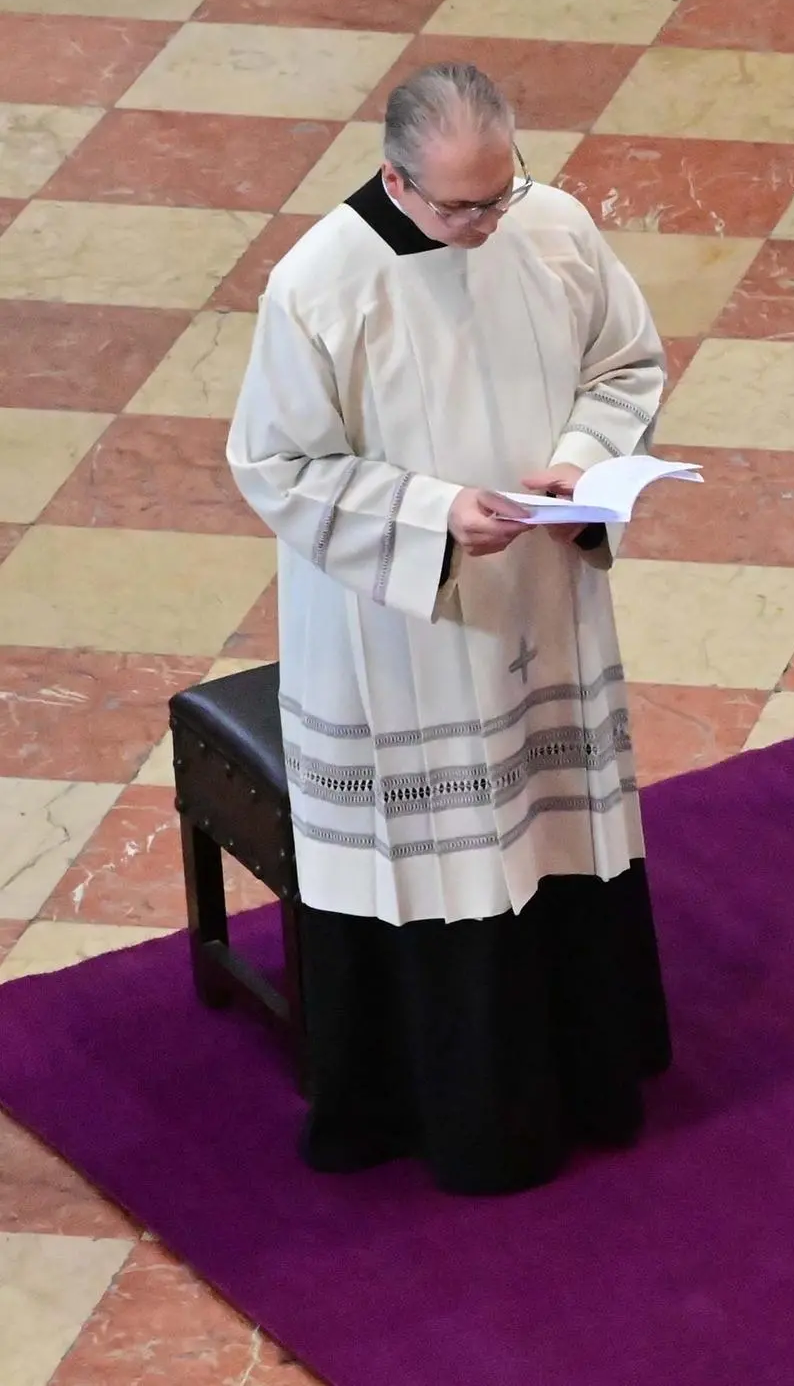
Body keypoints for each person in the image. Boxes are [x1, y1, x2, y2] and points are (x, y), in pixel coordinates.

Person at [224, 63, 673, 1196]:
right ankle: (452, 1111)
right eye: (458, 207)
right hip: (405, 626)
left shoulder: (552, 227)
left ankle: (587, 1068)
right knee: (454, 860)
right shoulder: (320, 285)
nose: (483, 225)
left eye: (497, 196)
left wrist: (577, 465)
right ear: (394, 177)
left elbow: (626, 364)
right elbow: (274, 464)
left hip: (541, 594)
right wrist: (431, 514)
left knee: (550, 832)